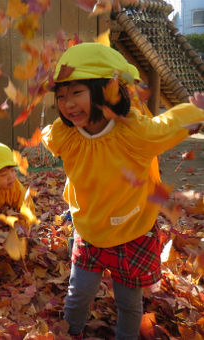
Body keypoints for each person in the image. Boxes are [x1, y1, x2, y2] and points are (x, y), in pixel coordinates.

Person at [41, 42, 204, 340]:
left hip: (132, 231)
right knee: (78, 294)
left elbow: (162, 128)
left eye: (77, 92)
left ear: (106, 91)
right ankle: (71, 333)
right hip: (89, 229)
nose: (67, 104)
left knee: (129, 302)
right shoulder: (66, 133)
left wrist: (194, 112)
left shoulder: (132, 132)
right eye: (61, 96)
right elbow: (50, 138)